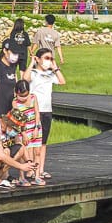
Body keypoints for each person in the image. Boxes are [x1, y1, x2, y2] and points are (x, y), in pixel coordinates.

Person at [23, 47, 65, 182]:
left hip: (47, 111)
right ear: (39, 59)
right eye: (46, 58)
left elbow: (62, 81)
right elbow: (25, 78)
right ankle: (30, 169)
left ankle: (40, 169)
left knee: (43, 142)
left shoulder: (50, 75)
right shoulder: (34, 73)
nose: (49, 61)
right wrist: (32, 63)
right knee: (30, 141)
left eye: (51, 58)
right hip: (34, 110)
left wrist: (55, 67)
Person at [11, 80, 43, 186]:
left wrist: (36, 128)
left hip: (35, 127)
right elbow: (18, 119)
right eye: (21, 96)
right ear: (17, 93)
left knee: (37, 152)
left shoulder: (33, 97)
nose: (24, 98)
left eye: (26, 95)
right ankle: (22, 177)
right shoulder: (15, 102)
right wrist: (24, 134)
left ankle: (37, 176)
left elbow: (37, 113)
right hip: (23, 130)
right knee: (24, 154)